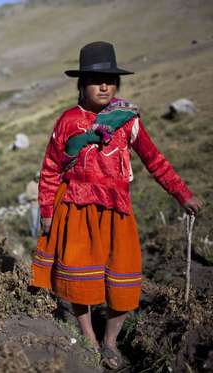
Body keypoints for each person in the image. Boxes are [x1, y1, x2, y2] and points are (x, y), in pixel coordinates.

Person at [30, 42, 202, 369]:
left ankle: (111, 341)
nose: (105, 86)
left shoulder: (127, 120)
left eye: (110, 79)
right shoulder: (68, 121)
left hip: (117, 209)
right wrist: (48, 212)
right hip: (76, 208)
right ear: (82, 84)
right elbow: (51, 169)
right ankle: (91, 341)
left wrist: (183, 194)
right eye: (96, 80)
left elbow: (155, 160)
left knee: (122, 279)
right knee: (78, 280)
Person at [25, 172, 40, 237]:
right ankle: (33, 235)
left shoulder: (42, 183)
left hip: (42, 206)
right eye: (38, 177)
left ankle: (39, 236)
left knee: (40, 222)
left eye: (40, 177)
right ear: (35, 177)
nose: (39, 179)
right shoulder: (30, 185)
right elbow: (28, 196)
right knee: (34, 222)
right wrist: (36, 197)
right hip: (34, 206)